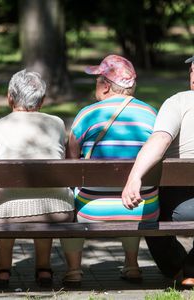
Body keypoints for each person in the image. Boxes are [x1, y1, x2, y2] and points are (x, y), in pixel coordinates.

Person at [0, 70, 83, 289]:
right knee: (46, 195)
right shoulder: (57, 123)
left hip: (5, 213)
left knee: (3, 199)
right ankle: (44, 268)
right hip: (58, 210)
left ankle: (2, 271)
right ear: (42, 100)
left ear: (10, 97)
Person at [67, 54, 159, 283]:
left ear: (106, 87)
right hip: (141, 209)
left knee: (67, 202)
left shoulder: (88, 114)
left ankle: (74, 271)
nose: (95, 86)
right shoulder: (151, 115)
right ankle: (131, 265)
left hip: (91, 209)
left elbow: (71, 161)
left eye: (97, 80)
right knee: (133, 193)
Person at [122, 55, 194, 287]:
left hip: (180, 206)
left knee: (149, 213)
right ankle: (190, 270)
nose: (192, 76)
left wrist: (135, 177)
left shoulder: (179, 102)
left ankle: (181, 269)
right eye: (192, 70)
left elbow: (161, 138)